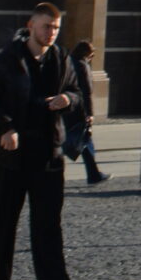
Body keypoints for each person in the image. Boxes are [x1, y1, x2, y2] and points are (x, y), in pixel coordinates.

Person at [0, 0, 84, 280]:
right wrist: (5, 128)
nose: (51, 33)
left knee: (48, 224)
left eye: (55, 28)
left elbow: (77, 93)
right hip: (11, 156)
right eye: (46, 26)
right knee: (4, 223)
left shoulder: (61, 59)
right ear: (31, 26)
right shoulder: (8, 60)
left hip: (48, 155)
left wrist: (67, 99)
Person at [63, 38, 107, 185]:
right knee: (83, 140)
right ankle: (94, 174)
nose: (92, 57)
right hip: (79, 110)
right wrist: (90, 113)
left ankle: (94, 173)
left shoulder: (68, 62)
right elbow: (87, 91)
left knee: (82, 141)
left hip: (67, 107)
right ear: (87, 53)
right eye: (92, 54)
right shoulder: (82, 65)